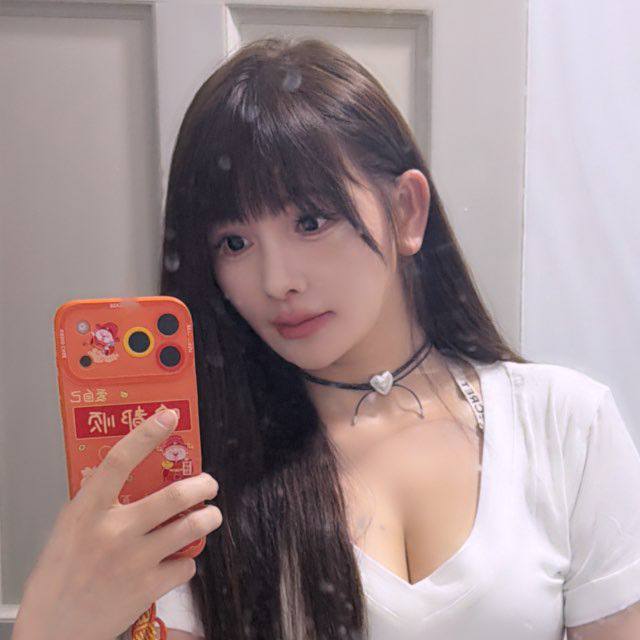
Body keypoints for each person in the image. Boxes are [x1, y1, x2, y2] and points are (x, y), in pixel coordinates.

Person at [14, 37, 640, 640]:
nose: (277, 281)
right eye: (235, 242)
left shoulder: (564, 424)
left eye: (310, 221)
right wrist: (51, 624)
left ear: (406, 211)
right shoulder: (195, 471)